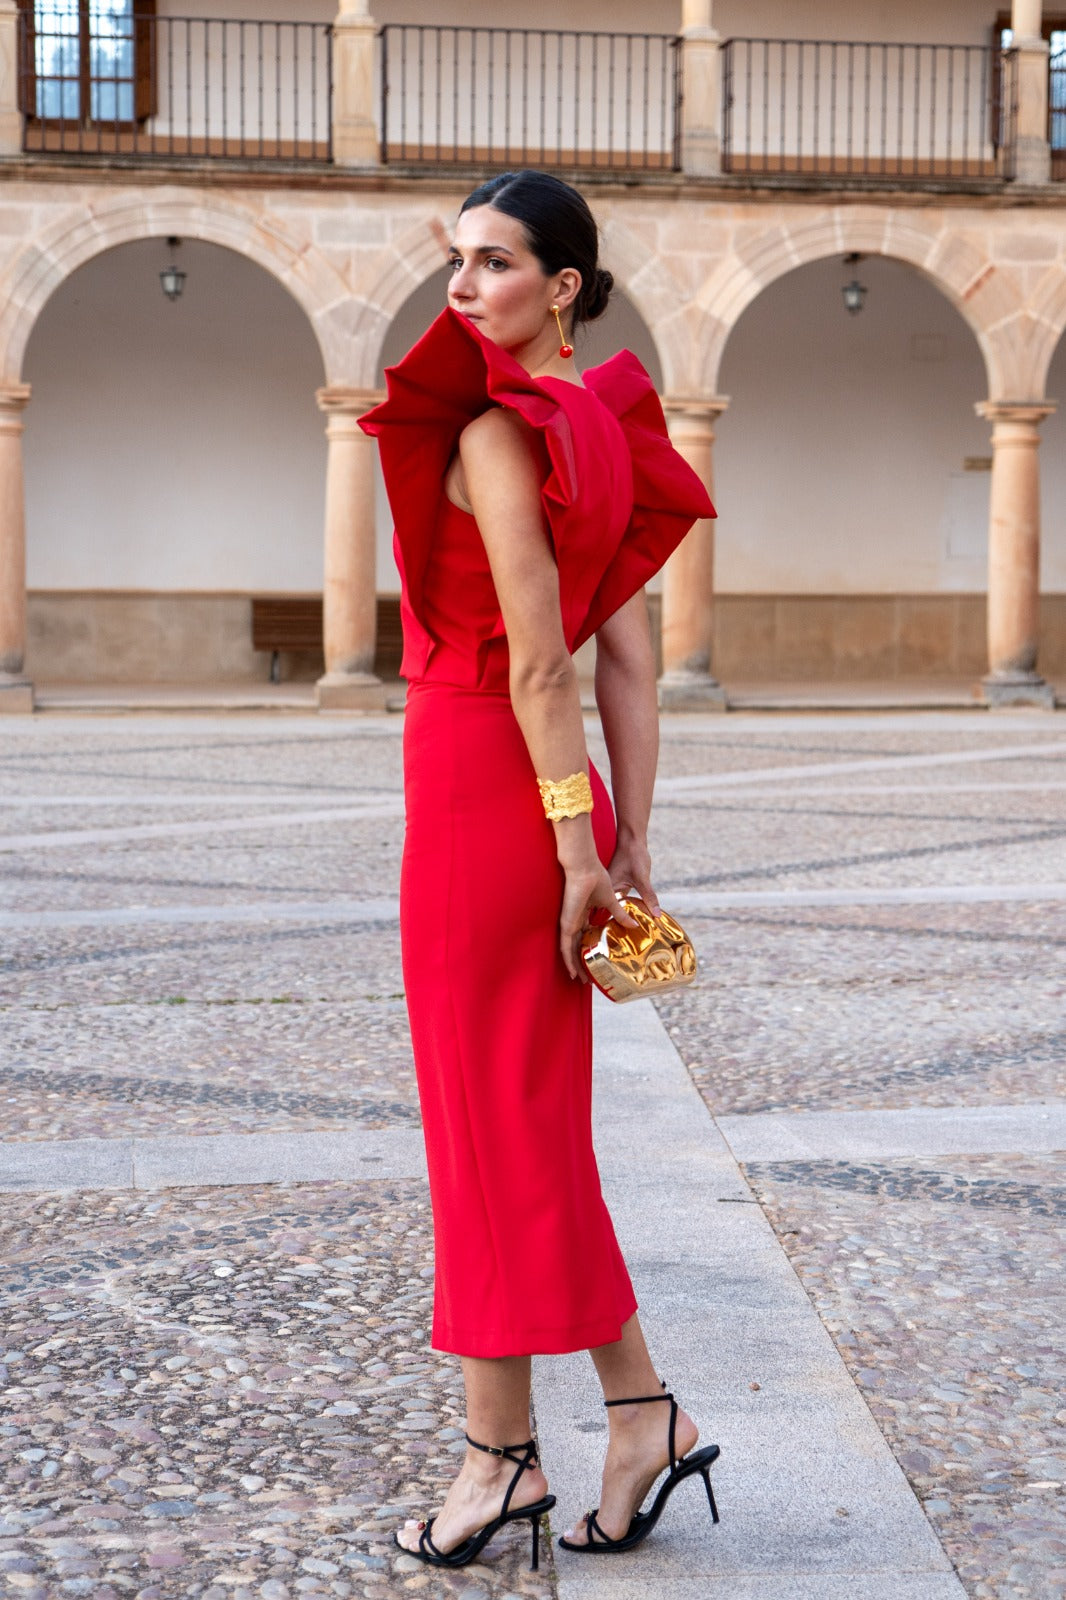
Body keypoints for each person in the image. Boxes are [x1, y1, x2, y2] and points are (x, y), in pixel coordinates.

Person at [359, 169, 720, 1569]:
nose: (462, 287)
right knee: (521, 1124)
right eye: (456, 260)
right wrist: (631, 834)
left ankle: (500, 1456)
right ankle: (635, 1415)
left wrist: (580, 850)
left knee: (484, 1126)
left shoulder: (498, 431)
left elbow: (539, 667)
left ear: (563, 287)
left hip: (483, 791)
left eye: (495, 262)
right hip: (543, 808)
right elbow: (629, 661)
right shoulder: (602, 428)